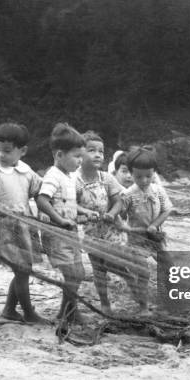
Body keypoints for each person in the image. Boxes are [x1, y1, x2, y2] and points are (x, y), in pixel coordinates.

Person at [0, 122, 48, 324]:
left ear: (22, 151)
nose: (0, 155)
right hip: (5, 228)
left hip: (24, 226)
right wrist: (4, 210)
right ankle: (28, 312)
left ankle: (9, 309)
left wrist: (44, 212)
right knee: (22, 270)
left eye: (6, 151)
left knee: (23, 270)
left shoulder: (26, 172)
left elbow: (39, 193)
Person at [36, 123, 88, 324]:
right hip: (57, 234)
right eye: (77, 156)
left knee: (79, 273)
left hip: (71, 233)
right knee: (73, 273)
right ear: (59, 155)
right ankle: (70, 312)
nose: (80, 161)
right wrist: (60, 220)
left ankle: (66, 311)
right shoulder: (53, 176)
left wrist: (84, 212)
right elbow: (42, 200)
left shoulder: (69, 176)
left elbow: (68, 202)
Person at [75, 131, 124, 314]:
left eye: (101, 151)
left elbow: (118, 200)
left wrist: (112, 213)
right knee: (98, 269)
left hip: (111, 232)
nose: (97, 155)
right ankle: (105, 304)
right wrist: (86, 213)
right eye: (91, 150)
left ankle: (137, 296)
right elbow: (71, 204)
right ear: (80, 154)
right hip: (90, 233)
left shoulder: (106, 178)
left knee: (118, 265)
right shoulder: (75, 180)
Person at [120, 147, 173, 314]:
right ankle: (143, 307)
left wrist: (154, 225)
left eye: (148, 176)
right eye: (138, 177)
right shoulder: (127, 195)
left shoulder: (158, 190)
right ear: (130, 173)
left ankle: (169, 301)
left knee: (170, 268)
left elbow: (166, 210)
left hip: (156, 239)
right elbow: (119, 216)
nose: (144, 180)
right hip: (136, 241)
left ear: (154, 172)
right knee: (143, 273)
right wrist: (124, 226)